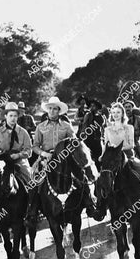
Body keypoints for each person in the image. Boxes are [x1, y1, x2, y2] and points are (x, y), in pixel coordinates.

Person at [25, 96, 100, 229]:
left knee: (80, 177)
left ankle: (90, 204)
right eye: (50, 109)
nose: (53, 111)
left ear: (59, 111)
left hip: (65, 158)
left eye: (55, 109)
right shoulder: (40, 127)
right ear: (47, 110)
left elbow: (75, 142)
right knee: (35, 181)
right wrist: (44, 154)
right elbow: (35, 146)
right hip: (46, 158)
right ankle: (32, 211)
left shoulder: (66, 125)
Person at [98, 102, 140, 215]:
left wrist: (117, 148)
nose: (116, 114)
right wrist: (103, 155)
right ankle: (101, 205)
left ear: (122, 113)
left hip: (127, 156)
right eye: (113, 112)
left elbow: (131, 144)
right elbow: (105, 144)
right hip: (111, 157)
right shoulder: (108, 129)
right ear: (111, 114)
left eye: (118, 112)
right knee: (101, 176)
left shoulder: (129, 127)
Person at [0, 102, 33, 188]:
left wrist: (18, 155)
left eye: (15, 116)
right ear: (5, 116)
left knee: (27, 176)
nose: (13, 118)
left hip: (18, 160)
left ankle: (29, 198)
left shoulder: (23, 132)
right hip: (1, 159)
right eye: (10, 116)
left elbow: (29, 150)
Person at [123, 100, 140, 170]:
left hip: (135, 142)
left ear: (132, 108)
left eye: (129, 107)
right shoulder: (121, 119)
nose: (127, 109)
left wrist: (134, 133)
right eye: (126, 107)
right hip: (123, 143)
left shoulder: (137, 118)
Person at [80, 99, 106, 169]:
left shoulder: (101, 117)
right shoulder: (88, 115)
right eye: (91, 106)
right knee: (88, 158)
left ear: (97, 107)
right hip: (88, 139)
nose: (92, 107)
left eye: (94, 106)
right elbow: (84, 126)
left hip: (97, 140)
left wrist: (103, 137)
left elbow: (103, 127)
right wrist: (83, 136)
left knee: (99, 158)